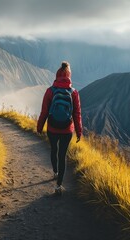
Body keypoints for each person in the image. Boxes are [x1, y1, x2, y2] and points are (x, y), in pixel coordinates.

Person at [37, 61, 82, 195]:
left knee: (53, 150)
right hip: (67, 129)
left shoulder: (50, 91)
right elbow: (77, 114)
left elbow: (44, 111)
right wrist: (79, 131)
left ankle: (55, 172)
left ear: (57, 75)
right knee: (62, 155)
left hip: (52, 128)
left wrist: (39, 127)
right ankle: (58, 186)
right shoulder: (74, 92)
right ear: (69, 76)